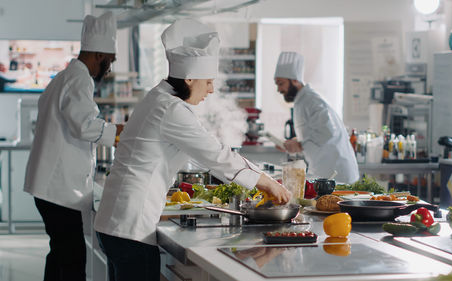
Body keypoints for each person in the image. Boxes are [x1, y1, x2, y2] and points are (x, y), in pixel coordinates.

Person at [94, 19, 291, 281]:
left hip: (118, 221)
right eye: (208, 81)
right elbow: (215, 154)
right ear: (189, 78)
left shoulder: (159, 98)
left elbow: (204, 153)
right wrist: (266, 182)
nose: (211, 89)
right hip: (130, 225)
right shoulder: (171, 109)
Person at [24, 12, 124, 281]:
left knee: (59, 255)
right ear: (100, 56)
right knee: (72, 261)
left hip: (51, 188)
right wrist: (120, 133)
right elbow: (84, 125)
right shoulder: (80, 79)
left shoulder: (65, 76)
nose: (109, 68)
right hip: (57, 190)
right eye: (110, 61)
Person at [274, 51, 359, 184]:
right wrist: (293, 143)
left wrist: (299, 145)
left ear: (295, 80)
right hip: (324, 172)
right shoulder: (301, 101)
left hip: (337, 173)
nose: (279, 89)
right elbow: (315, 132)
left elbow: (328, 132)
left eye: (281, 83)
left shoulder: (311, 100)